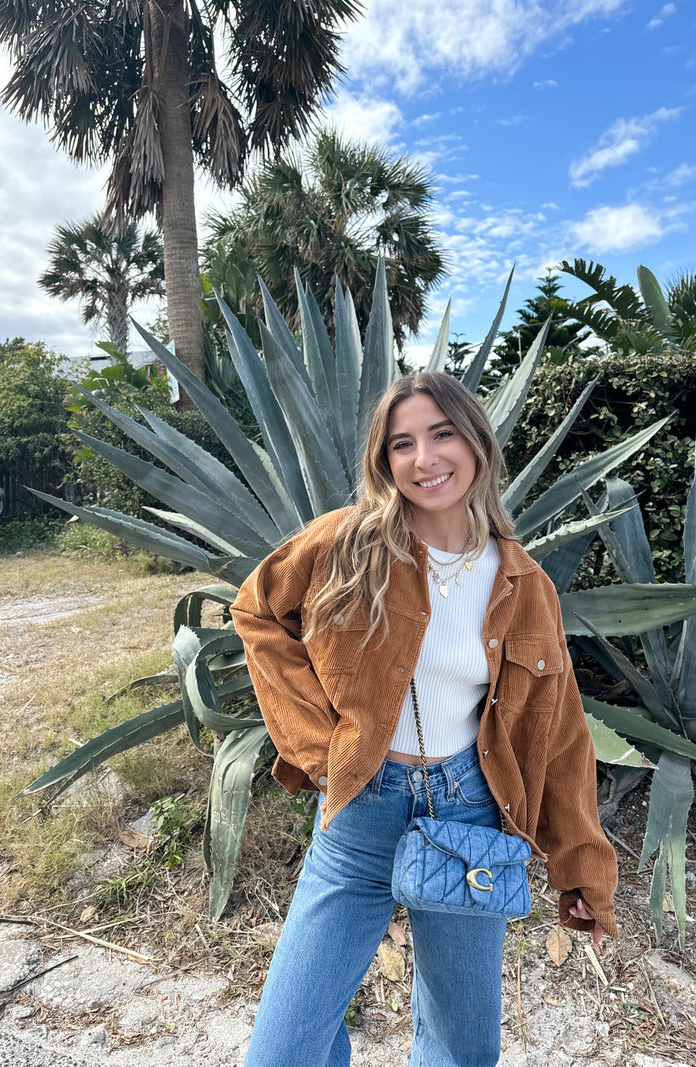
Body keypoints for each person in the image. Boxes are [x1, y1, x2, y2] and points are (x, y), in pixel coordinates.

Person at [231, 371, 618, 1067]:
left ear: (477, 442)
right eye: (402, 443)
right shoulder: (347, 543)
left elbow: (559, 735)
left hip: (468, 815)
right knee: (282, 1051)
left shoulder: (525, 582)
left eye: (442, 434)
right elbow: (257, 610)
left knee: (463, 1049)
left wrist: (581, 870)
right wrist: (319, 745)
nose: (424, 459)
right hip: (359, 812)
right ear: (385, 460)